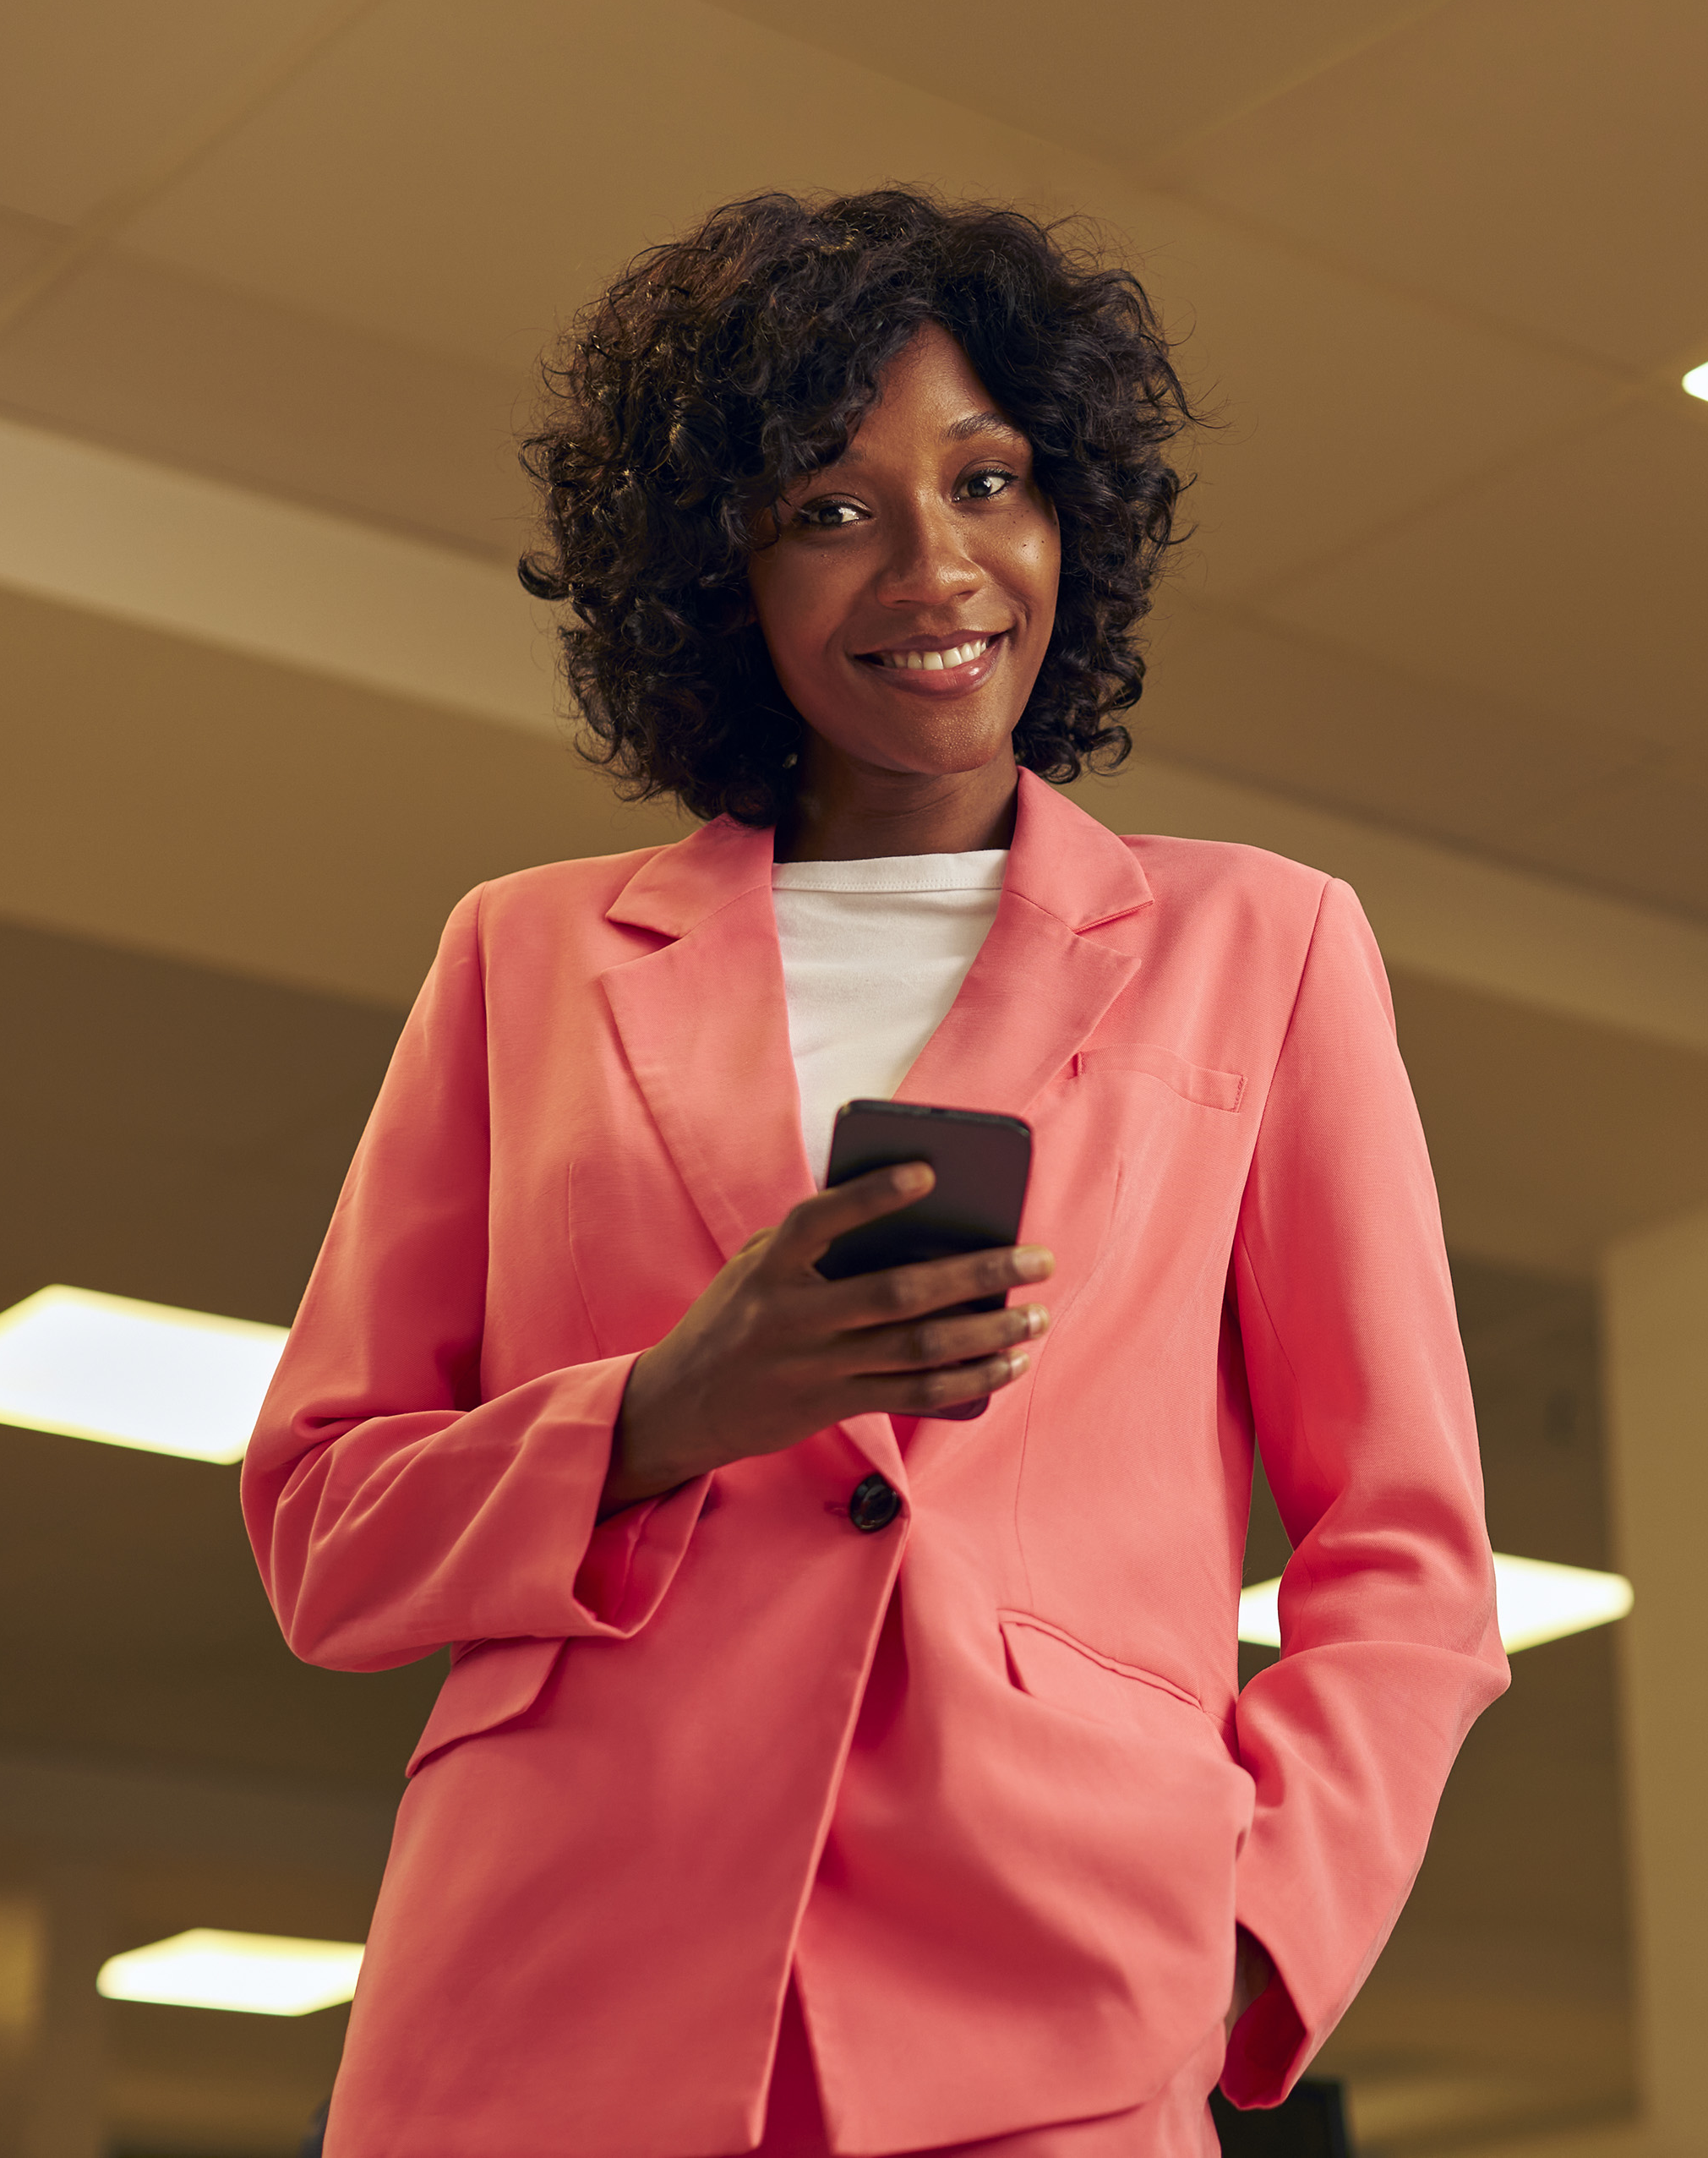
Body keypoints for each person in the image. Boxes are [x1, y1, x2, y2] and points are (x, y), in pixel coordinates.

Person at [241, 188, 1508, 2158]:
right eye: (830, 508)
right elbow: (325, 1531)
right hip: (547, 1992)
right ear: (711, 573)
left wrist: (1253, 1936)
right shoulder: (522, 954)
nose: (939, 564)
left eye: (989, 480)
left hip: (1064, 1991)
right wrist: (663, 1408)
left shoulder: (1262, 943)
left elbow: (1407, 1562)